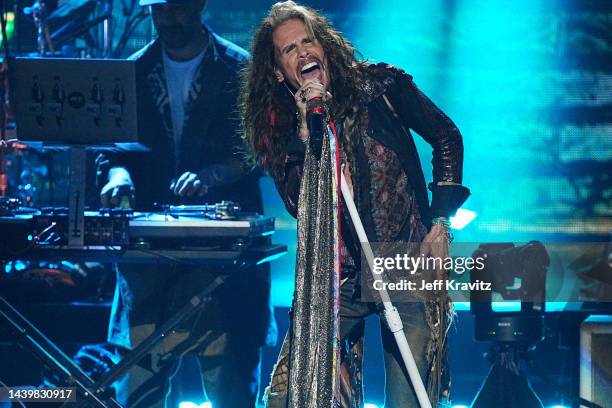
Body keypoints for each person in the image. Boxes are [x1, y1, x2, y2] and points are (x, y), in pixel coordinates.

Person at [240, 2, 470, 407]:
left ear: (324, 46)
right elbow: (297, 204)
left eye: (308, 41)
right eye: (289, 50)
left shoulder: (380, 87)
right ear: (278, 71)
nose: (303, 53)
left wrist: (441, 222)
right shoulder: (278, 127)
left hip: (404, 261)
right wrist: (308, 141)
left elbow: (446, 135)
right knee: (291, 393)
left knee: (410, 397)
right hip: (336, 277)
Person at [96, 0, 275, 406]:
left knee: (231, 385)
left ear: (199, 5)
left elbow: (262, 148)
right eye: (158, 10)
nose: (168, 18)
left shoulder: (240, 69)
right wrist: (117, 176)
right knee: (139, 386)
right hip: (150, 256)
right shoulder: (133, 72)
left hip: (224, 256)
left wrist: (214, 175)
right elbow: (111, 150)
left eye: (176, 8)